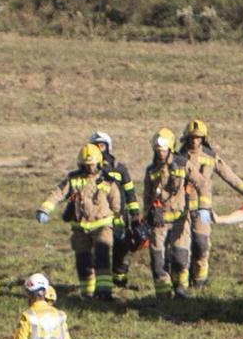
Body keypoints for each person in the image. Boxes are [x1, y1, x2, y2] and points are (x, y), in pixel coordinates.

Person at [175, 118, 243, 292]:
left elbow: (230, 176)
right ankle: (180, 287)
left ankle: (199, 282)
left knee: (201, 245)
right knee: (180, 251)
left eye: (198, 138)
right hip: (181, 212)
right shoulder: (178, 159)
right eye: (191, 137)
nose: (194, 141)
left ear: (204, 138)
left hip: (202, 211)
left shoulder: (210, 157)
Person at [37, 144, 124, 299]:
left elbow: (116, 203)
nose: (90, 168)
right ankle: (87, 293)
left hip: (102, 226)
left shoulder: (107, 180)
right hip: (80, 229)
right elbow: (58, 194)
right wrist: (45, 209)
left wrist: (120, 223)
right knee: (83, 261)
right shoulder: (73, 179)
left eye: (92, 165)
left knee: (102, 257)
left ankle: (104, 292)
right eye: (87, 165)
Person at [89, 131, 144, 292]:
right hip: (99, 218)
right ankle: (100, 285)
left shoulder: (120, 169)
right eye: (96, 146)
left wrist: (135, 214)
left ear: (108, 147)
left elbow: (130, 192)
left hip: (120, 217)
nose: (99, 150)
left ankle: (120, 278)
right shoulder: (90, 171)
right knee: (101, 250)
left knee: (121, 248)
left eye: (102, 146)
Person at [141, 128, 192, 298]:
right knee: (157, 261)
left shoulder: (183, 165)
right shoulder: (151, 170)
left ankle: (181, 288)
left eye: (162, 150)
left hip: (180, 221)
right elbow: (147, 195)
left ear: (170, 149)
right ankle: (162, 296)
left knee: (179, 258)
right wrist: (146, 216)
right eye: (157, 151)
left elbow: (199, 183)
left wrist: (200, 207)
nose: (160, 154)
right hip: (158, 221)